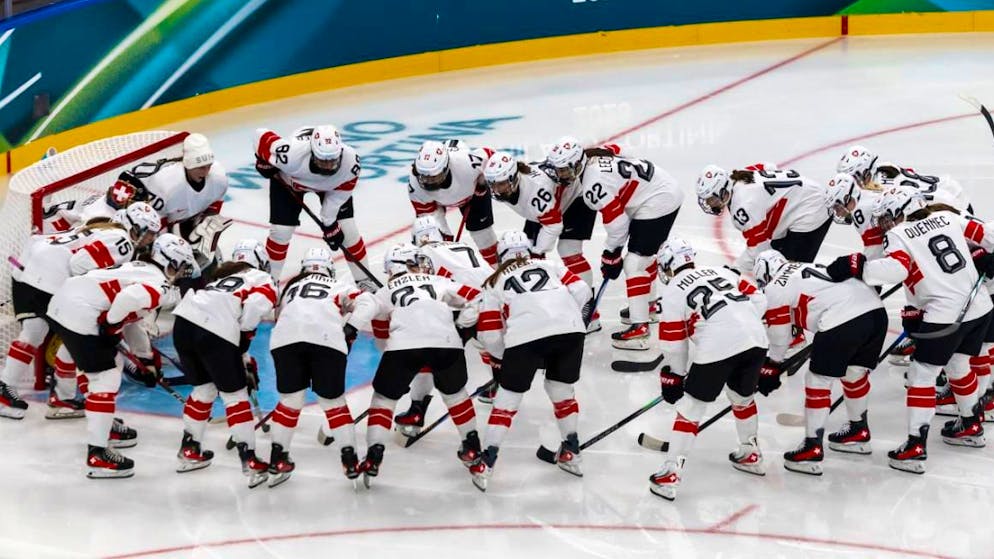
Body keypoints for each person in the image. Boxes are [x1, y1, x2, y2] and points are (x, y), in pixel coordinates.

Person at [825, 185, 994, 473]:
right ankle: (970, 424)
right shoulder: (949, 216)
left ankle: (916, 445)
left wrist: (859, 266)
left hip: (946, 315)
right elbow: (989, 234)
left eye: (888, 217)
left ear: (901, 210)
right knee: (958, 363)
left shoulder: (900, 234)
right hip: (979, 308)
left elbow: (898, 270)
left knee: (921, 375)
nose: (885, 224)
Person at [46, 233, 194, 478]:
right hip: (81, 314)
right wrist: (111, 323)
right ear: (171, 263)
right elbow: (129, 299)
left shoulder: (139, 267)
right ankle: (98, 454)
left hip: (62, 304)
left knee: (100, 365)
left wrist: (145, 357)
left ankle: (101, 424)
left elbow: (133, 321)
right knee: (106, 377)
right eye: (181, 267)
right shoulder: (159, 284)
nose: (181, 273)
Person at [0, 203, 160, 420]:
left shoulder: (105, 227)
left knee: (33, 332)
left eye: (153, 234)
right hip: (50, 278)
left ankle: (5, 391)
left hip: (27, 265)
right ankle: (63, 398)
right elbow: (78, 265)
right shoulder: (123, 243)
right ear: (133, 227)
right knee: (77, 335)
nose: (150, 239)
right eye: (147, 232)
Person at [347, 243, 483, 488]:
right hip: (446, 343)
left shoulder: (385, 290)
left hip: (403, 346)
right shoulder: (439, 281)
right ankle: (472, 447)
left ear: (391, 268)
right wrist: (463, 326)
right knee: (456, 396)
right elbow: (476, 297)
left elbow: (379, 342)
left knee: (383, 400)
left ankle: (374, 455)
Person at [647, 238, 768, 501]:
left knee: (691, 407)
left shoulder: (674, 289)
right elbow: (759, 298)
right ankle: (751, 453)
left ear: (669, 265)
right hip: (756, 338)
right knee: (742, 397)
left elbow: (673, 341)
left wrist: (676, 375)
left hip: (718, 343)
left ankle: (670, 474)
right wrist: (740, 321)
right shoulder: (722, 270)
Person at [472, 231, 592, 492]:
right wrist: (572, 321)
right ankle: (571, 451)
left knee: (507, 400)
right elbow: (583, 290)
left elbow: (490, 334)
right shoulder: (549, 264)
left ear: (500, 255)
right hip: (570, 331)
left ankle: (487, 461)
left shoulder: (493, 281)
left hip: (525, 336)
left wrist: (504, 359)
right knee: (561, 390)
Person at [752, 249, 887, 476]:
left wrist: (772, 365)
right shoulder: (808, 264)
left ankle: (812, 448)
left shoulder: (775, 287)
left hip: (842, 319)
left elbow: (780, 336)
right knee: (854, 374)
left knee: (817, 380)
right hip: (876, 314)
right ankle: (858, 431)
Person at [171, 238, 277, 488]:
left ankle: (189, 449)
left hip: (183, 324)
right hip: (215, 331)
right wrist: (243, 342)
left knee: (204, 390)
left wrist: (241, 355)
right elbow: (253, 308)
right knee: (235, 396)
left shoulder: (219, 280)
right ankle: (249, 458)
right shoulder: (262, 278)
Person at [268, 247, 365, 486]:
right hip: (326, 340)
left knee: (290, 402)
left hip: (285, 340)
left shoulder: (290, 288)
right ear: (329, 268)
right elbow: (367, 303)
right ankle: (350, 460)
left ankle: (277, 458)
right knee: (333, 403)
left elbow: (278, 315)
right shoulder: (339, 284)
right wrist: (351, 329)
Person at [573, 144, 683, 349]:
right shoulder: (594, 155)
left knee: (634, 264)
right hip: (663, 189)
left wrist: (611, 253)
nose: (564, 174)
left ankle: (639, 328)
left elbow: (618, 225)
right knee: (645, 256)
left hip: (657, 200)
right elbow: (623, 150)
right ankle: (648, 306)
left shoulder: (592, 185)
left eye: (567, 168)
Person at [394, 216, 495, 436]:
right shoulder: (463, 245)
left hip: (464, 303)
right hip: (492, 299)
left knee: (428, 353)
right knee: (485, 344)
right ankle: (499, 382)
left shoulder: (421, 254)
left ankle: (417, 409)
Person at [484, 150, 601, 333]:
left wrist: (537, 253)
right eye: (494, 185)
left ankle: (590, 314)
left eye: (502, 184)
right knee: (523, 255)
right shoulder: (512, 188)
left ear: (514, 178)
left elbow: (554, 226)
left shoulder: (535, 190)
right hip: (546, 209)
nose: (497, 190)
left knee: (568, 250)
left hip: (575, 199)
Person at [254, 125, 373, 285]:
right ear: (312, 153)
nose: (327, 166)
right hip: (289, 182)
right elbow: (259, 135)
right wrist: (263, 161)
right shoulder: (291, 155)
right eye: (322, 160)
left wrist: (330, 223)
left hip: (331, 188)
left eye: (332, 161)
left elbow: (338, 197)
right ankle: (268, 284)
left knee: (348, 230)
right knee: (281, 232)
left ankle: (365, 282)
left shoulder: (351, 163)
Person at [696, 163, 831, 273]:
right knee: (778, 262)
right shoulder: (741, 174)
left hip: (812, 208)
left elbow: (759, 248)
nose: (708, 204)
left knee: (789, 275)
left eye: (711, 199)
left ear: (723, 191)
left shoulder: (742, 205)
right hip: (809, 194)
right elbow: (769, 167)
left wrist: (733, 271)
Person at [134, 133, 232, 273]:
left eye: (208, 166)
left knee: (209, 266)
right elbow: (154, 225)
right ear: (188, 165)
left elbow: (213, 211)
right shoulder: (165, 184)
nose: (205, 172)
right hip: (159, 230)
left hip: (187, 225)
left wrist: (204, 231)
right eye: (200, 167)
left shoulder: (219, 177)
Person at [407, 140, 498, 266]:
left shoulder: (467, 164)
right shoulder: (415, 184)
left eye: (434, 177)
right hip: (436, 203)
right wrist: (445, 241)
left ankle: (496, 269)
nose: (428, 182)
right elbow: (428, 220)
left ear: (446, 168)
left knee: (482, 234)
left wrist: (483, 182)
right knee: (435, 239)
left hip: (471, 194)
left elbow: (493, 157)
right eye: (424, 177)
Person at [837, 144, 971, 211]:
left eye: (853, 175)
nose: (850, 180)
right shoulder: (885, 167)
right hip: (947, 188)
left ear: (866, 171)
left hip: (950, 201)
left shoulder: (880, 191)